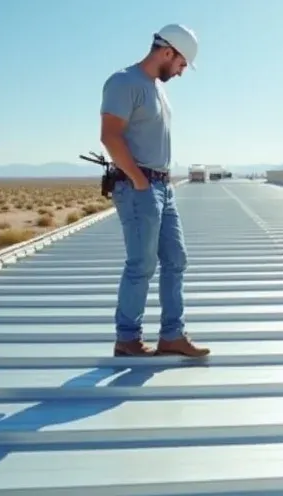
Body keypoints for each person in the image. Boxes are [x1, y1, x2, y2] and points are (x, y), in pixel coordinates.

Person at [98, 23, 210, 358]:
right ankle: (127, 339)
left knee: (176, 259)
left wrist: (160, 182)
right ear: (167, 51)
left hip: (163, 187)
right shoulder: (123, 82)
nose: (181, 71)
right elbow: (110, 136)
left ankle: (172, 336)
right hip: (139, 187)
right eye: (181, 64)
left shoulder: (157, 89)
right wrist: (140, 181)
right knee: (142, 264)